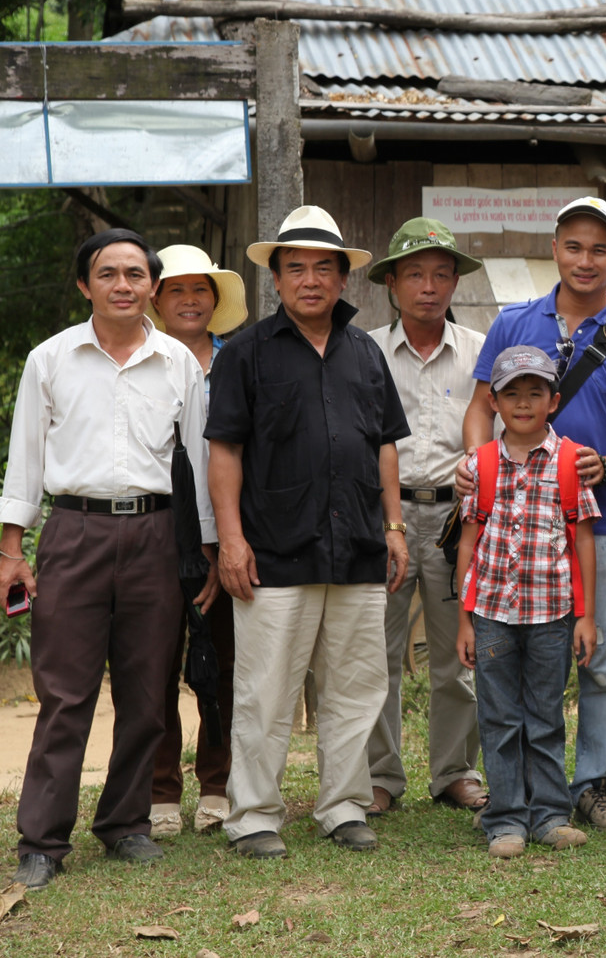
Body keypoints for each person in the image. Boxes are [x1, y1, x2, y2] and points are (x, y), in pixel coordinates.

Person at [2, 229, 216, 890]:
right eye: (108, 273)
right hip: (74, 531)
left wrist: (208, 547)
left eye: (134, 273)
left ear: (152, 285)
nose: (123, 284)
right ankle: (43, 838)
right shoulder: (52, 358)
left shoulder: (179, 362)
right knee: (64, 690)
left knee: (149, 689)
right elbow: (26, 458)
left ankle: (126, 824)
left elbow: (201, 465)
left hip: (157, 535)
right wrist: (11, 547)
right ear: (84, 284)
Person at [208, 205, 410, 859]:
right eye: (295, 267)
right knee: (264, 689)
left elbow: (383, 445)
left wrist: (394, 526)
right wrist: (232, 540)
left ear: (345, 279)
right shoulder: (245, 353)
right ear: (276, 276)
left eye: (324, 267)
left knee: (355, 688)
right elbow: (225, 451)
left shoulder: (366, 353)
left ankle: (344, 805)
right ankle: (255, 815)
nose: (311, 279)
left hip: (356, 545)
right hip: (274, 550)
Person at [460, 196, 606, 833]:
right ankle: (524, 795)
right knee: (509, 656)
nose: (585, 261)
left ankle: (596, 784)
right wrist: (478, 466)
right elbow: (481, 407)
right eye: (573, 246)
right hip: (512, 517)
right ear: (554, 250)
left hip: (600, 517)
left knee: (602, 654)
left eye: (599, 250)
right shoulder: (514, 321)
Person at [365, 218, 489, 816]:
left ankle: (455, 772)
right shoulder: (364, 350)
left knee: (455, 655)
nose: (429, 286)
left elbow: (489, 429)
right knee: (378, 655)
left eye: (442, 274)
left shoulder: (478, 350)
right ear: (392, 283)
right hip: (382, 518)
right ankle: (381, 776)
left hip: (454, 520)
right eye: (415, 274)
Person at [455, 346, 600, 858]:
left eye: (534, 393)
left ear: (553, 400)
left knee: (544, 715)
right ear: (493, 402)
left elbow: (582, 541)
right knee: (498, 717)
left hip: (553, 614)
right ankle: (506, 819)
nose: (522, 403)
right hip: (492, 612)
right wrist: (464, 619)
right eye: (511, 393)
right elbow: (469, 543)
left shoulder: (569, 462)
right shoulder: (481, 464)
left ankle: (549, 815)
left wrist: (585, 616)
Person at [147, 244, 247, 839]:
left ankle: (217, 783)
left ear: (215, 300)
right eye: (176, 289)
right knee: (154, 662)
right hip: (156, 535)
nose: (189, 299)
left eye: (200, 289)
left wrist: (221, 540)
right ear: (156, 300)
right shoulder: (142, 360)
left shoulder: (241, 362)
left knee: (225, 665)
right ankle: (160, 791)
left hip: (230, 536)